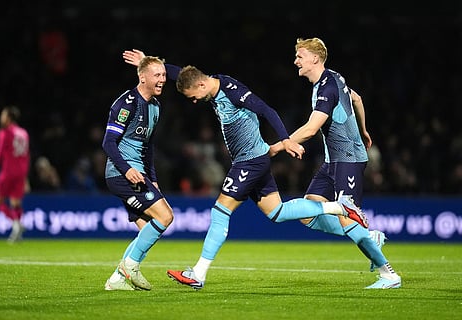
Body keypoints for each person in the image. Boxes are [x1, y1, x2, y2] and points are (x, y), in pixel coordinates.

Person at [123, 49, 368, 290]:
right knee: (278, 212)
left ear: (199, 87)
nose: (194, 102)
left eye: (192, 97)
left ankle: (198, 273)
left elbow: (266, 110)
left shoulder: (233, 92)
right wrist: (148, 63)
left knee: (220, 211)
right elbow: (183, 74)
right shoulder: (207, 83)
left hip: (250, 161)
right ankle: (339, 207)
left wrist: (286, 140)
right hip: (253, 160)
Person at [270, 37, 401, 289]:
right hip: (333, 161)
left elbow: (310, 129)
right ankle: (369, 237)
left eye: (300, 56)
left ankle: (388, 274)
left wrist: (277, 146)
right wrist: (363, 130)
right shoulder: (333, 78)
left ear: (315, 59)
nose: (295, 60)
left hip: (348, 159)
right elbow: (358, 99)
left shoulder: (327, 88)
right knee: (309, 211)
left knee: (345, 215)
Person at [102, 55, 174, 291]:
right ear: (142, 77)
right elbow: (108, 142)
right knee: (165, 217)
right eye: (157, 75)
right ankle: (129, 267)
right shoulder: (127, 103)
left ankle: (117, 279)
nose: (163, 79)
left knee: (147, 228)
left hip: (140, 174)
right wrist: (127, 169)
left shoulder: (155, 106)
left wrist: (153, 179)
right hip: (121, 174)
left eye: (164, 75)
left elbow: (148, 147)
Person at [0, 106, 30, 243]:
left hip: (8, 171)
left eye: (3, 115)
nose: (1, 118)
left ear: (8, 118)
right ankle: (17, 235)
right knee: (15, 203)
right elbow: (26, 155)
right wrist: (25, 176)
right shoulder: (24, 133)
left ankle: (16, 224)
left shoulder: (5, 132)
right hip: (21, 172)